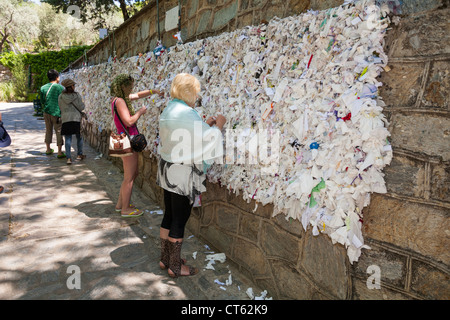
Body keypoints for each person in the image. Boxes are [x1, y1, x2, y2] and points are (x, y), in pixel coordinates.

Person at [157, 73, 226, 278]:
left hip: (167, 168)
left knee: (169, 214)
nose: (196, 97)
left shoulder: (169, 109)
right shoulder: (187, 113)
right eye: (195, 92)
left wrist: (205, 123)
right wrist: (219, 125)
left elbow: (187, 135)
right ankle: (175, 267)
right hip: (182, 172)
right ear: (189, 92)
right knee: (180, 218)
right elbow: (207, 139)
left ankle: (166, 258)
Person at [110, 74, 163, 217]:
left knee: (131, 174)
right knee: (130, 177)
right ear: (123, 86)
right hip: (127, 140)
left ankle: (120, 205)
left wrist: (154, 91)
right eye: (130, 87)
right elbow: (128, 121)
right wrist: (140, 112)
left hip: (123, 139)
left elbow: (137, 95)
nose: (131, 90)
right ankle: (125, 209)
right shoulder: (120, 101)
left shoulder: (118, 99)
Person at [58, 79, 86, 165]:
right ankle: (79, 154)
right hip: (76, 118)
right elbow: (81, 107)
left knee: (68, 138)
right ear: (71, 86)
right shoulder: (77, 95)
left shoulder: (61, 96)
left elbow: (60, 107)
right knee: (79, 137)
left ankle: (69, 158)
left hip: (66, 119)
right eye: (74, 85)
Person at [40, 69, 65, 158]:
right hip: (57, 113)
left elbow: (42, 101)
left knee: (48, 130)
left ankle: (48, 149)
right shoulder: (60, 88)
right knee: (59, 131)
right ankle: (59, 152)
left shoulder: (43, 88)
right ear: (57, 77)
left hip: (46, 112)